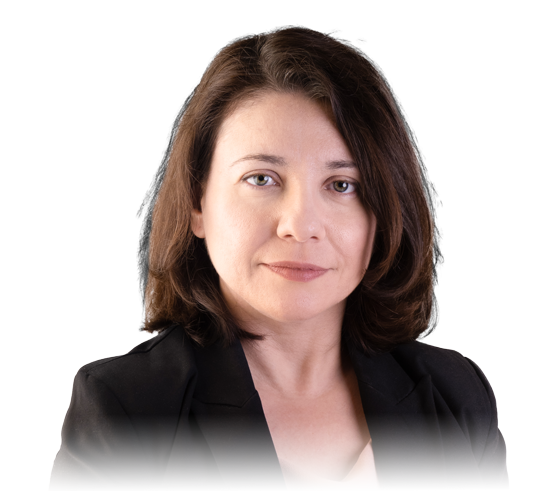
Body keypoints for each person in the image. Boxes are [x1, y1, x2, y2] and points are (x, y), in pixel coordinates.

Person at [49, 27, 508, 490]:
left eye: (342, 185)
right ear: (197, 203)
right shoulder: (125, 409)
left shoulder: (457, 394)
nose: (300, 225)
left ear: (385, 213)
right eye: (261, 179)